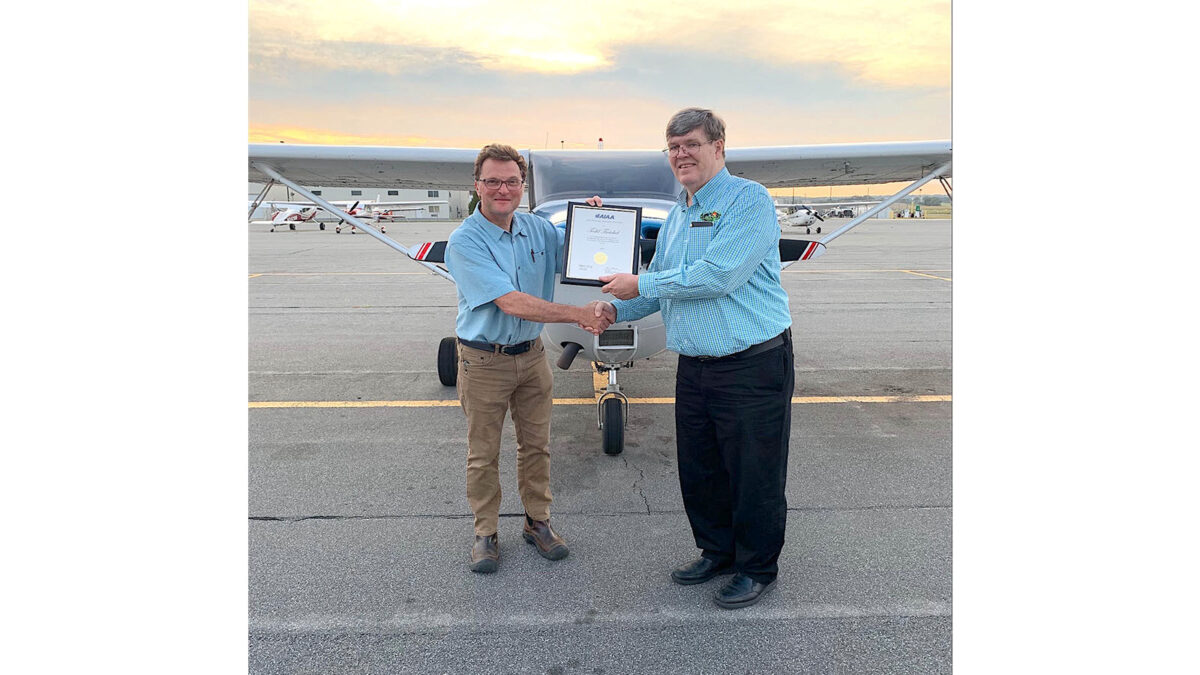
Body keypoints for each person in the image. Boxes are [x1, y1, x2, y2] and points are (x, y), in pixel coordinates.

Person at [589, 108, 794, 609]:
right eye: (673, 146)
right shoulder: (680, 210)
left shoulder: (748, 200)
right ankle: (717, 550)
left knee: (754, 471)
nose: (681, 154)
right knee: (700, 469)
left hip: (751, 363)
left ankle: (756, 567)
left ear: (718, 147)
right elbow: (660, 288)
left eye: (692, 144)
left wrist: (641, 282)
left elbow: (717, 275)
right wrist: (613, 308)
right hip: (697, 366)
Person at [445, 143, 612, 573]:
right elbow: (512, 302)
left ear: (523, 186)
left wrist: (593, 221)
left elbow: (582, 251)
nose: (503, 189)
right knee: (483, 452)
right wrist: (579, 316)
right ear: (477, 185)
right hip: (484, 362)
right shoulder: (465, 241)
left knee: (537, 446)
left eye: (512, 181)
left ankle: (538, 522)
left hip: (533, 356)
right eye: (493, 181)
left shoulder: (539, 230)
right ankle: (485, 532)